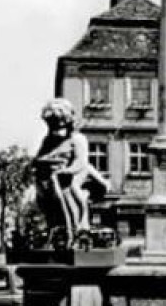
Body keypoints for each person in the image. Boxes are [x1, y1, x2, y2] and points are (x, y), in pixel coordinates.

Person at [33, 99, 110, 247]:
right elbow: (38, 158)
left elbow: (81, 162)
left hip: (69, 179)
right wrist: (41, 162)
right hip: (48, 180)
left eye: (59, 123)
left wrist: (64, 171)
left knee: (69, 193)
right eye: (51, 124)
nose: (55, 129)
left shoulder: (78, 139)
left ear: (67, 122)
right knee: (45, 200)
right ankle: (55, 232)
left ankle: (75, 231)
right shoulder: (48, 141)